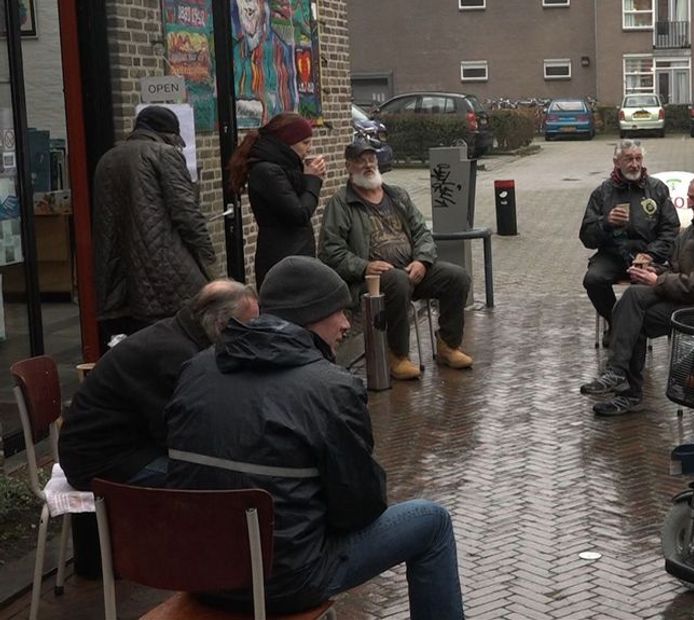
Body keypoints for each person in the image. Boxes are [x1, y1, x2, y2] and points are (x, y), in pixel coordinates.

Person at [165, 256, 463, 618]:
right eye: (338, 311)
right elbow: (361, 508)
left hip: (200, 573)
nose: (346, 323)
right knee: (431, 521)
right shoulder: (332, 388)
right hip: (287, 580)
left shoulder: (196, 368)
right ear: (311, 315)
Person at [579, 174, 694, 417]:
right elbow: (677, 267)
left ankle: (626, 390)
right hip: (685, 298)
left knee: (633, 320)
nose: (689, 203)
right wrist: (655, 271)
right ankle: (617, 373)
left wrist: (659, 280)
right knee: (633, 297)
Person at [59, 280, 258, 491]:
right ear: (221, 325)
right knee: (221, 483)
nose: (252, 336)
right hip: (100, 461)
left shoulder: (180, 335)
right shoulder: (176, 356)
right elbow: (180, 433)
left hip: (123, 446)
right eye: (248, 327)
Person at [320, 138, 473, 380]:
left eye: (371, 159)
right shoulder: (341, 203)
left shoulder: (397, 195)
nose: (368, 165)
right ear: (348, 166)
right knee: (398, 281)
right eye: (361, 161)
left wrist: (422, 260)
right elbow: (331, 251)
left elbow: (422, 231)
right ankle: (398, 356)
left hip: (412, 269)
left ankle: (448, 346)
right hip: (371, 281)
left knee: (457, 277)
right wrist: (365, 266)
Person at [93, 105, 216, 344]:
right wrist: (209, 264)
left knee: (137, 346)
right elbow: (187, 215)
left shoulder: (107, 159)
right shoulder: (164, 154)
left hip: (120, 276)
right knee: (182, 342)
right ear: (169, 134)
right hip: (166, 274)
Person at [579, 139, 680, 341]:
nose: (634, 164)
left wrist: (651, 254)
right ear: (616, 162)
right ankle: (617, 323)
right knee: (593, 280)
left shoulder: (657, 189)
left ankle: (637, 328)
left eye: (638, 158)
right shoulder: (602, 192)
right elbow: (587, 236)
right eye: (628, 159)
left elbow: (671, 230)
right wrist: (606, 222)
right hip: (613, 254)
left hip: (647, 255)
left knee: (640, 290)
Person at [228, 112, 326, 287]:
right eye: (305, 143)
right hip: (282, 257)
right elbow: (299, 214)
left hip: (295, 253)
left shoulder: (285, 167)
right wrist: (313, 180)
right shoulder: (267, 171)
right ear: (287, 143)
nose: (309, 148)